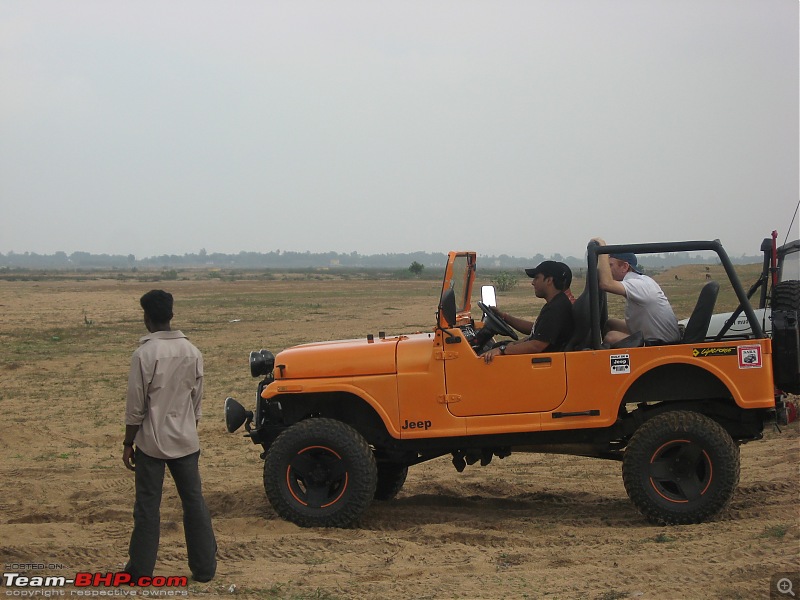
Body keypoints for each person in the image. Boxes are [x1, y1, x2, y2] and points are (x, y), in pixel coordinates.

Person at [123, 290, 217, 583]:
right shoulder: (193, 352)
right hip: (187, 441)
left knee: (148, 507)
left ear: (146, 318)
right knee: (194, 503)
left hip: (151, 443)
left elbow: (136, 406)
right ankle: (204, 569)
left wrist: (128, 442)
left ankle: (140, 571)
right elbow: (196, 402)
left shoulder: (144, 354)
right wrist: (188, 428)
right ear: (171, 316)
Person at [592, 238, 680, 344]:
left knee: (611, 337)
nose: (608, 270)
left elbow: (606, 284)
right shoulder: (639, 280)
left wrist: (602, 248)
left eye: (610, 265)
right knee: (610, 324)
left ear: (625, 266)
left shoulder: (638, 284)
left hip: (661, 342)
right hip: (651, 333)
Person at [483, 260, 575, 363]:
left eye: (536, 278)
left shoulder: (557, 308)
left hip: (544, 366)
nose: (533, 282)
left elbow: (536, 346)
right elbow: (537, 331)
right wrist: (504, 317)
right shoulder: (556, 304)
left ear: (549, 280)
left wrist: (502, 350)